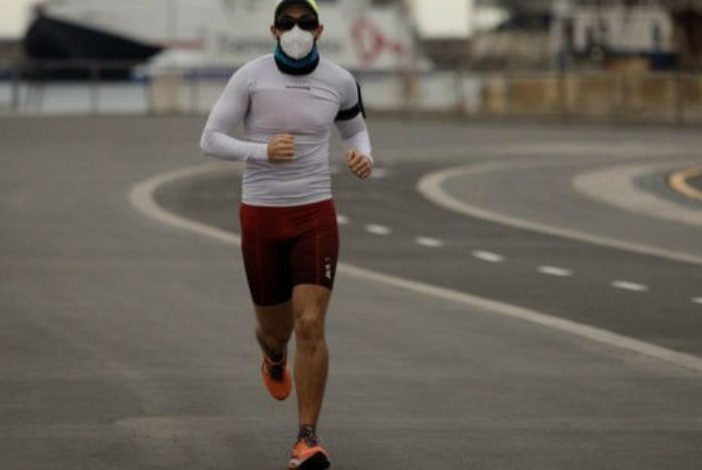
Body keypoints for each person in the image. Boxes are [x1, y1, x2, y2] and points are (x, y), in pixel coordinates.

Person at [200, 0, 373, 468]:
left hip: (314, 213)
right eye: (287, 22)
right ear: (272, 29)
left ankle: (307, 439)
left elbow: (355, 131)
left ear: (320, 30)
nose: (296, 29)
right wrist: (260, 151)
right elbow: (210, 138)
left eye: (305, 22)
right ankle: (274, 357)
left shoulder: (339, 81)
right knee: (275, 331)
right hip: (261, 215)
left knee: (311, 324)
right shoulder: (251, 77)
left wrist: (362, 155)